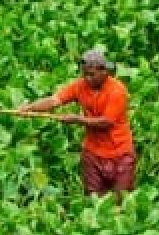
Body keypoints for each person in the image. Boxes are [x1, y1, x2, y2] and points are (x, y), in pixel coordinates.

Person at [19, 48, 137, 195]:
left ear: (104, 72)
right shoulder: (80, 86)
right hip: (93, 153)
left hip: (120, 153)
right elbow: (54, 100)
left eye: (91, 75)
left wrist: (76, 119)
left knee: (122, 200)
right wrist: (30, 108)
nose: (87, 78)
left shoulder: (117, 91)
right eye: (84, 74)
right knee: (93, 199)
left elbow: (106, 122)